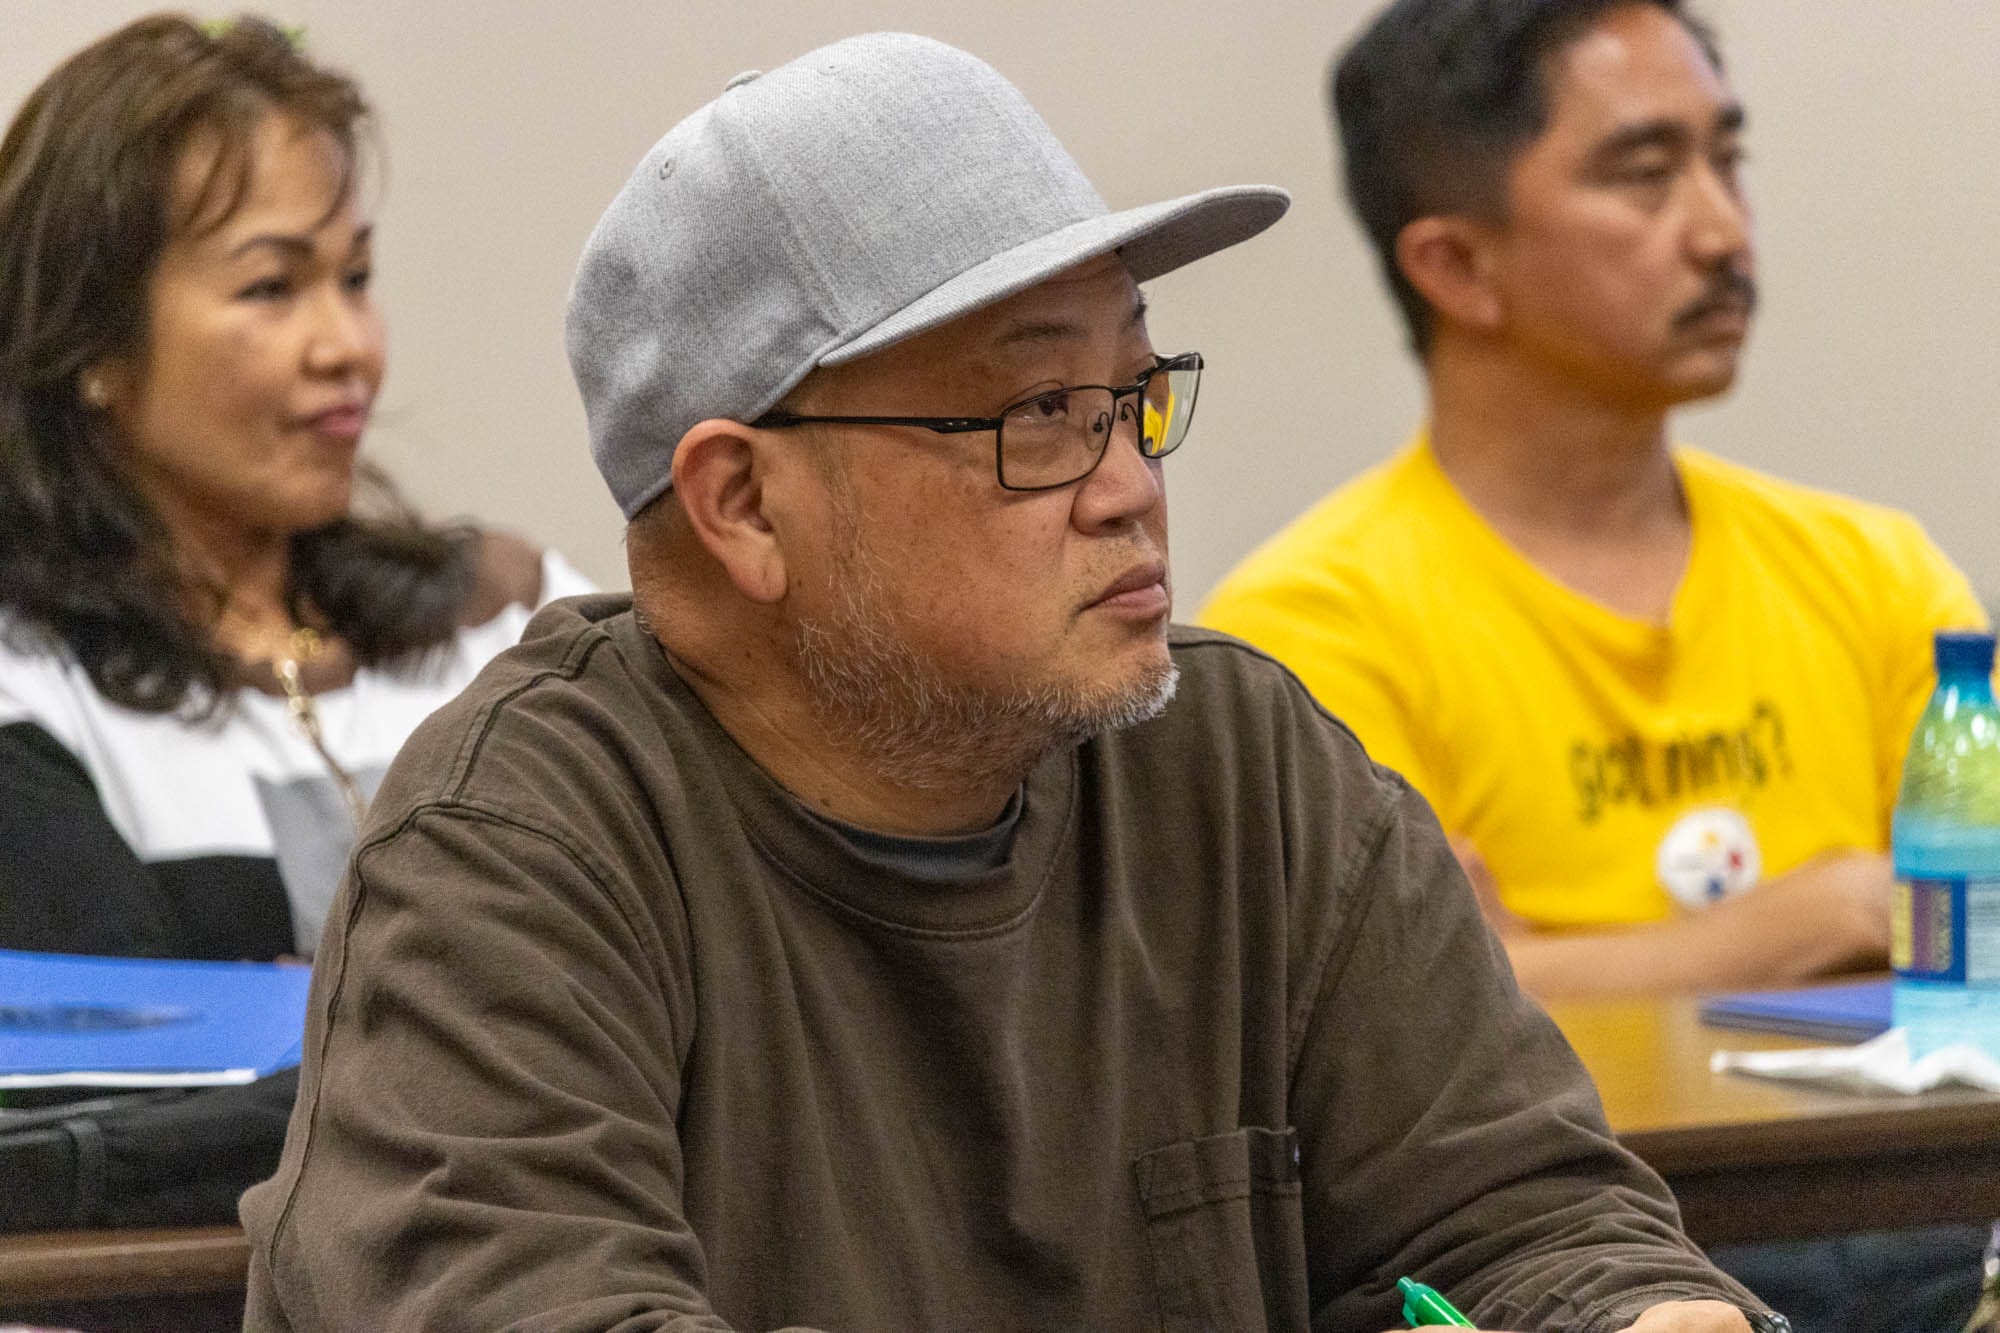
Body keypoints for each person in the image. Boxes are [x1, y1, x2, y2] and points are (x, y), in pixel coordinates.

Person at [240, 33, 1782, 1332]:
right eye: (1039, 412)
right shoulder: (516, 852)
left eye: (1135, 392)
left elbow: (1530, 1223)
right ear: (744, 505)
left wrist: (1646, 1312)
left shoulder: (1245, 768)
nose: (1131, 486)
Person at [1198, 2, 1985, 1327]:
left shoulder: (1876, 570)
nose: (1722, 231)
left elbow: (1978, 939)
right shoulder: (1309, 630)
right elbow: (1406, 1036)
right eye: (1643, 174)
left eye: (1726, 160)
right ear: (1456, 266)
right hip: (1567, 1256)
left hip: (1932, 1216)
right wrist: (1828, 910)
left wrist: (1551, 959)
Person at [0, 14, 592, 967]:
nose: (349, 347)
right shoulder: (29, 688)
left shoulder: (513, 624)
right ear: (93, 342)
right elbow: (134, 1046)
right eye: (272, 287)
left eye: (355, 277)